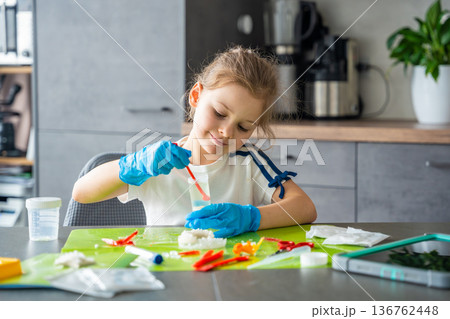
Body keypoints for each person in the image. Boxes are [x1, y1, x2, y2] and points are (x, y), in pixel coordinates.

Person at [72, 46, 317, 238]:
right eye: (220, 113)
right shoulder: (157, 163)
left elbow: (305, 208)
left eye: (243, 127)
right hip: (166, 274)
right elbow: (81, 193)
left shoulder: (249, 161)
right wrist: (134, 165)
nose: (226, 132)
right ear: (196, 96)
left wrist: (251, 218)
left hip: (232, 274)